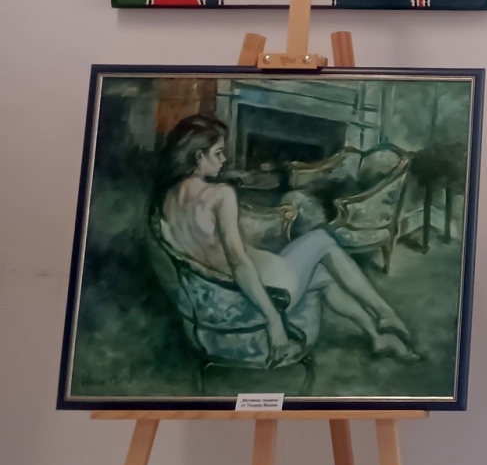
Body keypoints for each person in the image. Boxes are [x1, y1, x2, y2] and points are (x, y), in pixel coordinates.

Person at [153, 115, 417, 365]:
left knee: (324, 276)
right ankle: (384, 313)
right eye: (218, 153)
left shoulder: (167, 198)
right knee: (322, 239)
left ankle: (376, 336)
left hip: (223, 291)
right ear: (199, 156)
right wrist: (273, 319)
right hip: (272, 288)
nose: (224, 159)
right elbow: (238, 263)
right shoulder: (219, 195)